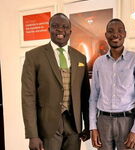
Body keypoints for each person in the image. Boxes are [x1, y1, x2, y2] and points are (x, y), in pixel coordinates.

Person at [22, 13, 90, 150]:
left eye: (65, 27)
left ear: (70, 31)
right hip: (47, 127)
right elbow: (28, 97)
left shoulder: (80, 58)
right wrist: (32, 135)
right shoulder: (33, 56)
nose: (60, 30)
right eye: (55, 26)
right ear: (48, 29)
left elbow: (85, 96)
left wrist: (88, 125)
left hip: (74, 125)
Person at [89, 18, 135, 150]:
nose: (115, 34)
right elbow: (93, 97)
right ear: (106, 35)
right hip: (103, 121)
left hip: (127, 121)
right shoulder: (99, 62)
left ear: (125, 34)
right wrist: (93, 127)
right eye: (111, 31)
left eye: (120, 31)